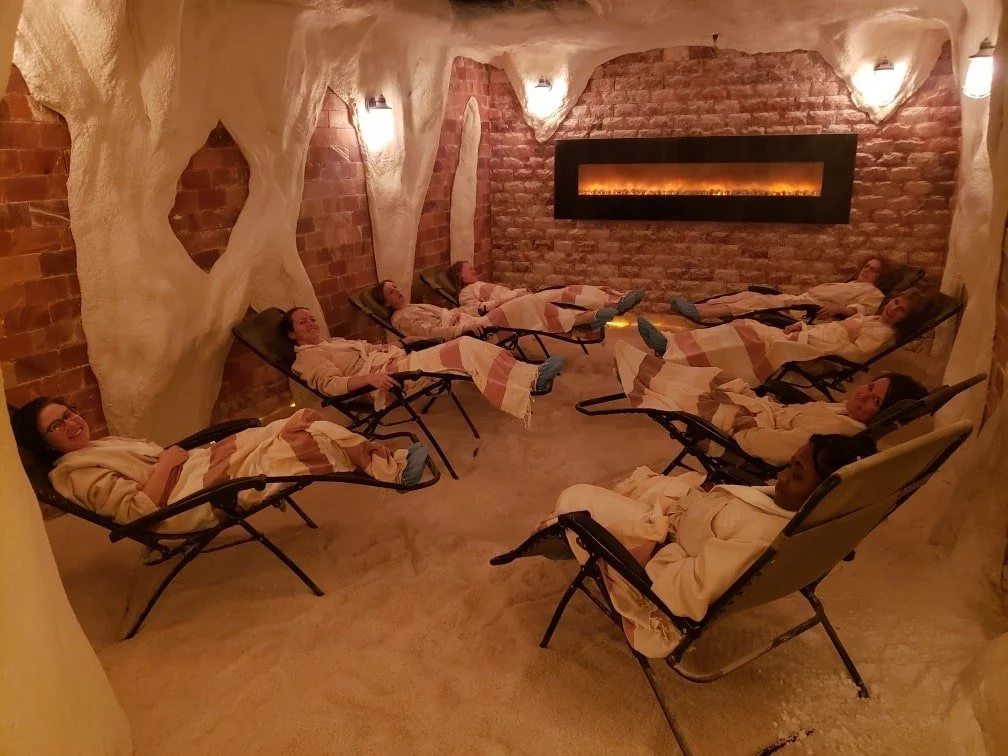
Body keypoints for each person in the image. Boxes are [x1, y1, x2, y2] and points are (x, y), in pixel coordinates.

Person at [499, 433, 877, 658]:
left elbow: (681, 592)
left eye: (795, 474)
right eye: (788, 465)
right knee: (649, 484)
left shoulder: (760, 540)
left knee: (575, 501)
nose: (779, 478)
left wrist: (666, 539)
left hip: (663, 548)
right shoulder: (808, 523)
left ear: (826, 493)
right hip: (685, 520)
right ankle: (574, 526)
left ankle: (564, 534)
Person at [11, 398, 431, 534]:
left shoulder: (96, 445)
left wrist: (177, 457)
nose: (71, 423)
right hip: (192, 497)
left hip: (197, 468)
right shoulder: (75, 473)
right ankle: (388, 468)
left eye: (68, 413)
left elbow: (167, 457)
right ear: (45, 445)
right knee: (302, 437)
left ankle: (377, 457)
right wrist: (169, 463)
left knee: (300, 417)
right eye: (56, 425)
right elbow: (136, 513)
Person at [612, 339, 926, 464]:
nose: (862, 394)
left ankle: (639, 371)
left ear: (884, 414)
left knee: (693, 391)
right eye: (870, 386)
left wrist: (748, 415)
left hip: (742, 435)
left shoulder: (834, 435)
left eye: (874, 400)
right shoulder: (844, 414)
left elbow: (765, 446)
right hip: (764, 412)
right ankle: (659, 357)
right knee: (716, 375)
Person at [283, 307, 565, 425]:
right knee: (464, 349)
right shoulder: (305, 358)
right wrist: (371, 378)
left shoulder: (331, 342)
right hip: (389, 378)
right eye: (302, 322)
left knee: (469, 348)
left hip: (394, 360)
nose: (310, 324)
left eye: (311, 319)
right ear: (292, 334)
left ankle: (531, 377)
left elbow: (371, 349)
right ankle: (528, 383)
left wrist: (402, 343)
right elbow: (331, 386)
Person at [636, 288, 935, 388]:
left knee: (751, 342)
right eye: (897, 302)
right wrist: (804, 329)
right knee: (741, 326)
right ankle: (672, 343)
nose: (895, 308)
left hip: (814, 355)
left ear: (905, 319)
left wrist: (839, 331)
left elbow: (853, 355)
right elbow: (841, 323)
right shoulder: (871, 317)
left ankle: (676, 357)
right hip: (803, 339)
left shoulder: (883, 334)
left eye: (902, 310)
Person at [670, 256, 904, 323]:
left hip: (807, 312)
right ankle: (697, 308)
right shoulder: (853, 284)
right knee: (750, 295)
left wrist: (839, 308)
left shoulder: (874, 293)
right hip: (798, 301)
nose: (866, 270)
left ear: (881, 277)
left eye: (873, 270)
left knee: (758, 303)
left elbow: (864, 312)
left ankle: (699, 314)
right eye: (866, 265)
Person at [374, 279, 618, 343]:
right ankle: (584, 322)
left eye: (396, 287)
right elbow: (431, 334)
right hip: (471, 328)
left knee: (532, 305)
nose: (397, 291)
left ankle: (584, 324)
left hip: (473, 318)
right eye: (391, 292)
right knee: (527, 304)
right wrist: (464, 326)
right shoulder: (401, 319)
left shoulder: (414, 305)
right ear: (385, 303)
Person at [447, 260, 645, 315]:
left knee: (568, 288)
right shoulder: (466, 293)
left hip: (520, 297)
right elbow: (472, 311)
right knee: (562, 295)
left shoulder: (479, 284)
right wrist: (508, 299)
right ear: (459, 275)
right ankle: (613, 305)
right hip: (514, 305)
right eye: (468, 269)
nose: (474, 269)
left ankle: (614, 298)